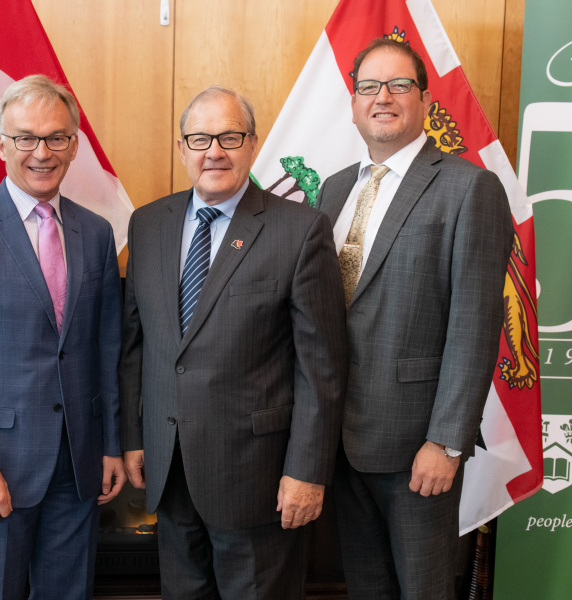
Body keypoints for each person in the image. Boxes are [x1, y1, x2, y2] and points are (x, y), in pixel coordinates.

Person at [120, 85, 348, 599]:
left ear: (251, 144)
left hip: (258, 480)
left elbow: (322, 368)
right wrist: (135, 437)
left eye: (228, 136)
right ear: (182, 148)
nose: (213, 151)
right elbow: (136, 347)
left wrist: (306, 472)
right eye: (199, 138)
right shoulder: (149, 224)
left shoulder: (300, 230)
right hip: (171, 470)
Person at [316, 38, 514, 599]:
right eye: (369, 87)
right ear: (354, 103)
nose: (383, 97)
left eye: (399, 85)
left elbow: (476, 325)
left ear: (424, 100)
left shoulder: (468, 187)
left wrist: (446, 442)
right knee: (366, 587)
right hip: (340, 441)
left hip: (416, 447)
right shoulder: (334, 190)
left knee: (424, 590)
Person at [0, 74, 125, 600]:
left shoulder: (96, 233)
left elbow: (105, 347)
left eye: (56, 137)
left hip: (77, 466)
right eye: (26, 137)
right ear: (2, 144)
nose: (42, 152)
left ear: (74, 145)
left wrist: (109, 445)